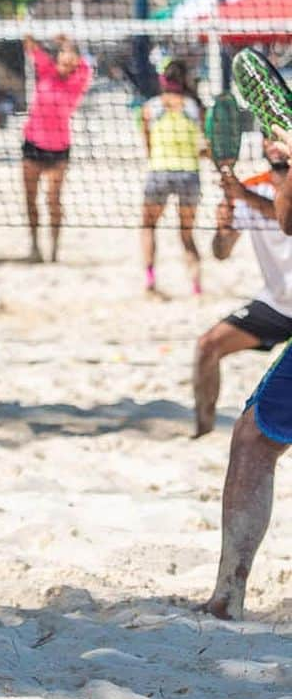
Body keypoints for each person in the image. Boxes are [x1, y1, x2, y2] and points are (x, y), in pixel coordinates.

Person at [202, 130, 292, 619]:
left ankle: (225, 599)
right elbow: (282, 221)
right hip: (275, 308)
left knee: (255, 437)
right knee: (252, 432)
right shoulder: (261, 182)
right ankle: (226, 597)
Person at [193, 138, 292, 438]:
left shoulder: (248, 192)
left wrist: (244, 196)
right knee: (207, 347)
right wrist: (222, 230)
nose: (274, 144)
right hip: (277, 304)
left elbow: (287, 219)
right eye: (268, 137)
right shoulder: (251, 187)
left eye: (279, 137)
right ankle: (203, 431)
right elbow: (220, 253)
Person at [21, 34, 92, 262]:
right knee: (30, 198)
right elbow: (30, 43)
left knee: (53, 200)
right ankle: (34, 246)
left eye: (71, 55)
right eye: (63, 53)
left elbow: (86, 66)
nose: (66, 57)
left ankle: (54, 251)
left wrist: (69, 41)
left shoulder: (78, 80)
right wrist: (37, 30)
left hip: (58, 148)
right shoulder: (47, 70)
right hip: (33, 143)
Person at [140, 59, 206, 295]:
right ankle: (196, 286)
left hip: (159, 170)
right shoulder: (195, 108)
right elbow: (205, 148)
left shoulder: (150, 108)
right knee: (187, 234)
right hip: (189, 173)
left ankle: (150, 279)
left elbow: (147, 145)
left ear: (163, 80)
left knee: (148, 227)